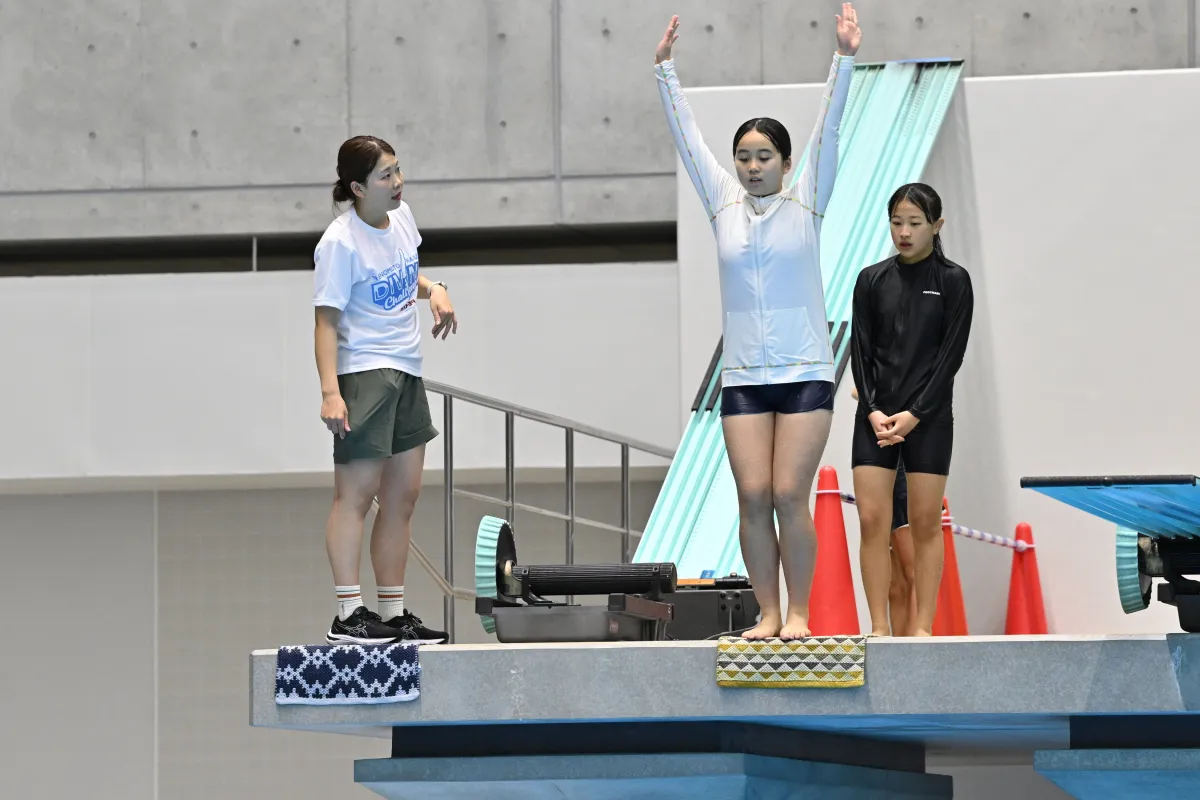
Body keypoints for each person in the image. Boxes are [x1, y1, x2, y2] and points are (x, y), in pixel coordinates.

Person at [655, 5, 861, 640]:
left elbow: (829, 127)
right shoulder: (723, 204)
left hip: (805, 372)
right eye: (743, 156)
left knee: (789, 495)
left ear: (786, 161)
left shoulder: (808, 199)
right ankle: (768, 613)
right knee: (752, 496)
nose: (751, 166)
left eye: (764, 156)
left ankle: (799, 613)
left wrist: (844, 58)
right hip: (744, 377)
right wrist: (665, 72)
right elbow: (689, 140)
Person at [312, 134, 458, 646]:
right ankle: (348, 615)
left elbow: (405, 275)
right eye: (385, 175)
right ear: (357, 188)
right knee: (355, 495)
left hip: (407, 369)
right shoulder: (339, 243)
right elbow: (325, 322)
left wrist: (435, 288)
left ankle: (392, 614)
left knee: (402, 496)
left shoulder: (402, 218)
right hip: (364, 372)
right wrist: (331, 392)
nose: (398, 182)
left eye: (397, 170)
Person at [849, 182, 973, 637]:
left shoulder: (954, 280)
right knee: (871, 522)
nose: (904, 232)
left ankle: (922, 627)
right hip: (876, 419)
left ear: (937, 226)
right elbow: (860, 352)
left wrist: (915, 414)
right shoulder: (871, 280)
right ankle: (879, 626)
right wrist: (872, 410)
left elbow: (950, 358)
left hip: (929, 418)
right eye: (897, 222)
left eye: (915, 223)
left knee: (924, 524)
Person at [851, 384, 917, 636]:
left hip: (911, 451)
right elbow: (857, 390)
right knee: (895, 582)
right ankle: (888, 637)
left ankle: (918, 641)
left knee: (911, 570)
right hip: (881, 446)